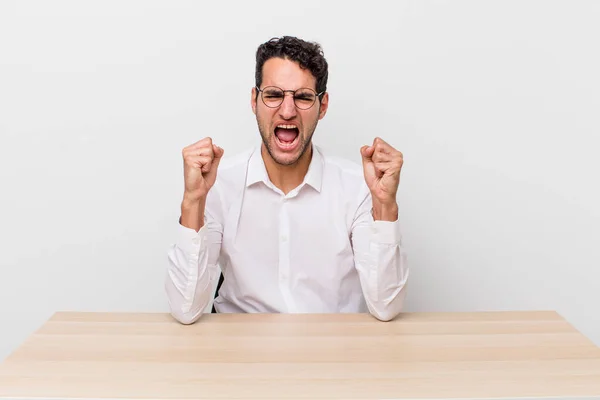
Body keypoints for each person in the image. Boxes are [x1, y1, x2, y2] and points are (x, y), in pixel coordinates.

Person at [165, 36, 408, 324]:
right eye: (274, 95)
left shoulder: (357, 187)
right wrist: (193, 201)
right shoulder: (219, 184)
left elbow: (386, 306)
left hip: (334, 351)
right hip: (239, 353)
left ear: (323, 105)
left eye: (303, 97)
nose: (288, 110)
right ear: (255, 100)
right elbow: (185, 309)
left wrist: (385, 207)